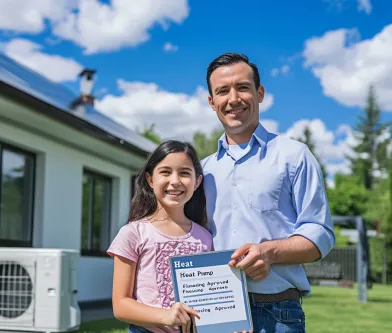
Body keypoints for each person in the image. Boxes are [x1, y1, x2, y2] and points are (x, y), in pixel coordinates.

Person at [201, 53, 336, 333]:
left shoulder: (295, 156)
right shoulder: (202, 171)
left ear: (259, 93)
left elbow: (320, 233)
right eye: (222, 91)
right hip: (216, 314)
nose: (233, 98)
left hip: (277, 316)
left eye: (243, 87)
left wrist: (269, 253)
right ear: (212, 102)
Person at [107, 140, 216, 333]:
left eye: (184, 173)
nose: (175, 181)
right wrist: (164, 316)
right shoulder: (133, 233)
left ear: (197, 181)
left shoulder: (206, 238)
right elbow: (120, 305)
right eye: (165, 172)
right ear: (150, 179)